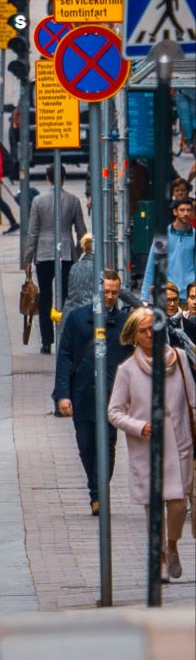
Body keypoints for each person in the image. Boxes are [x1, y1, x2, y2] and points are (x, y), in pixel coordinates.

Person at [106, 307, 196, 581]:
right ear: (133, 336)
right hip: (147, 450)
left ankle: (171, 545)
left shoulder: (178, 359)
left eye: (153, 330)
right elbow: (114, 412)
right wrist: (139, 426)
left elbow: (193, 400)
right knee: (154, 507)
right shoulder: (127, 371)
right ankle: (158, 560)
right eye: (143, 331)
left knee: (179, 505)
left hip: (180, 444)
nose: (150, 335)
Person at [54, 271, 128, 514]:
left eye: (114, 293)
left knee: (107, 445)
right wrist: (63, 394)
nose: (109, 297)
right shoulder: (77, 319)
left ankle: (99, 494)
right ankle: (95, 488)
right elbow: (64, 356)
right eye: (106, 292)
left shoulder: (123, 323)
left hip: (112, 396)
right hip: (83, 393)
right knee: (86, 445)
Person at [20, 171, 88, 354]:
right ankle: (66, 335)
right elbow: (82, 232)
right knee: (67, 297)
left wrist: (27, 260)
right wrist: (77, 251)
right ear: (64, 178)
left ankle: (46, 341)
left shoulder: (38, 201)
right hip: (66, 254)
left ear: (47, 178)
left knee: (45, 298)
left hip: (44, 254)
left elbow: (32, 232)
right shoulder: (73, 200)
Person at [140, 198, 196, 298]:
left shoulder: (195, 235)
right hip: (167, 295)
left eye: (188, 210)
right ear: (175, 212)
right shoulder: (163, 234)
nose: (186, 213)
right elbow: (152, 264)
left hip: (189, 296)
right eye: (182, 210)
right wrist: (144, 296)